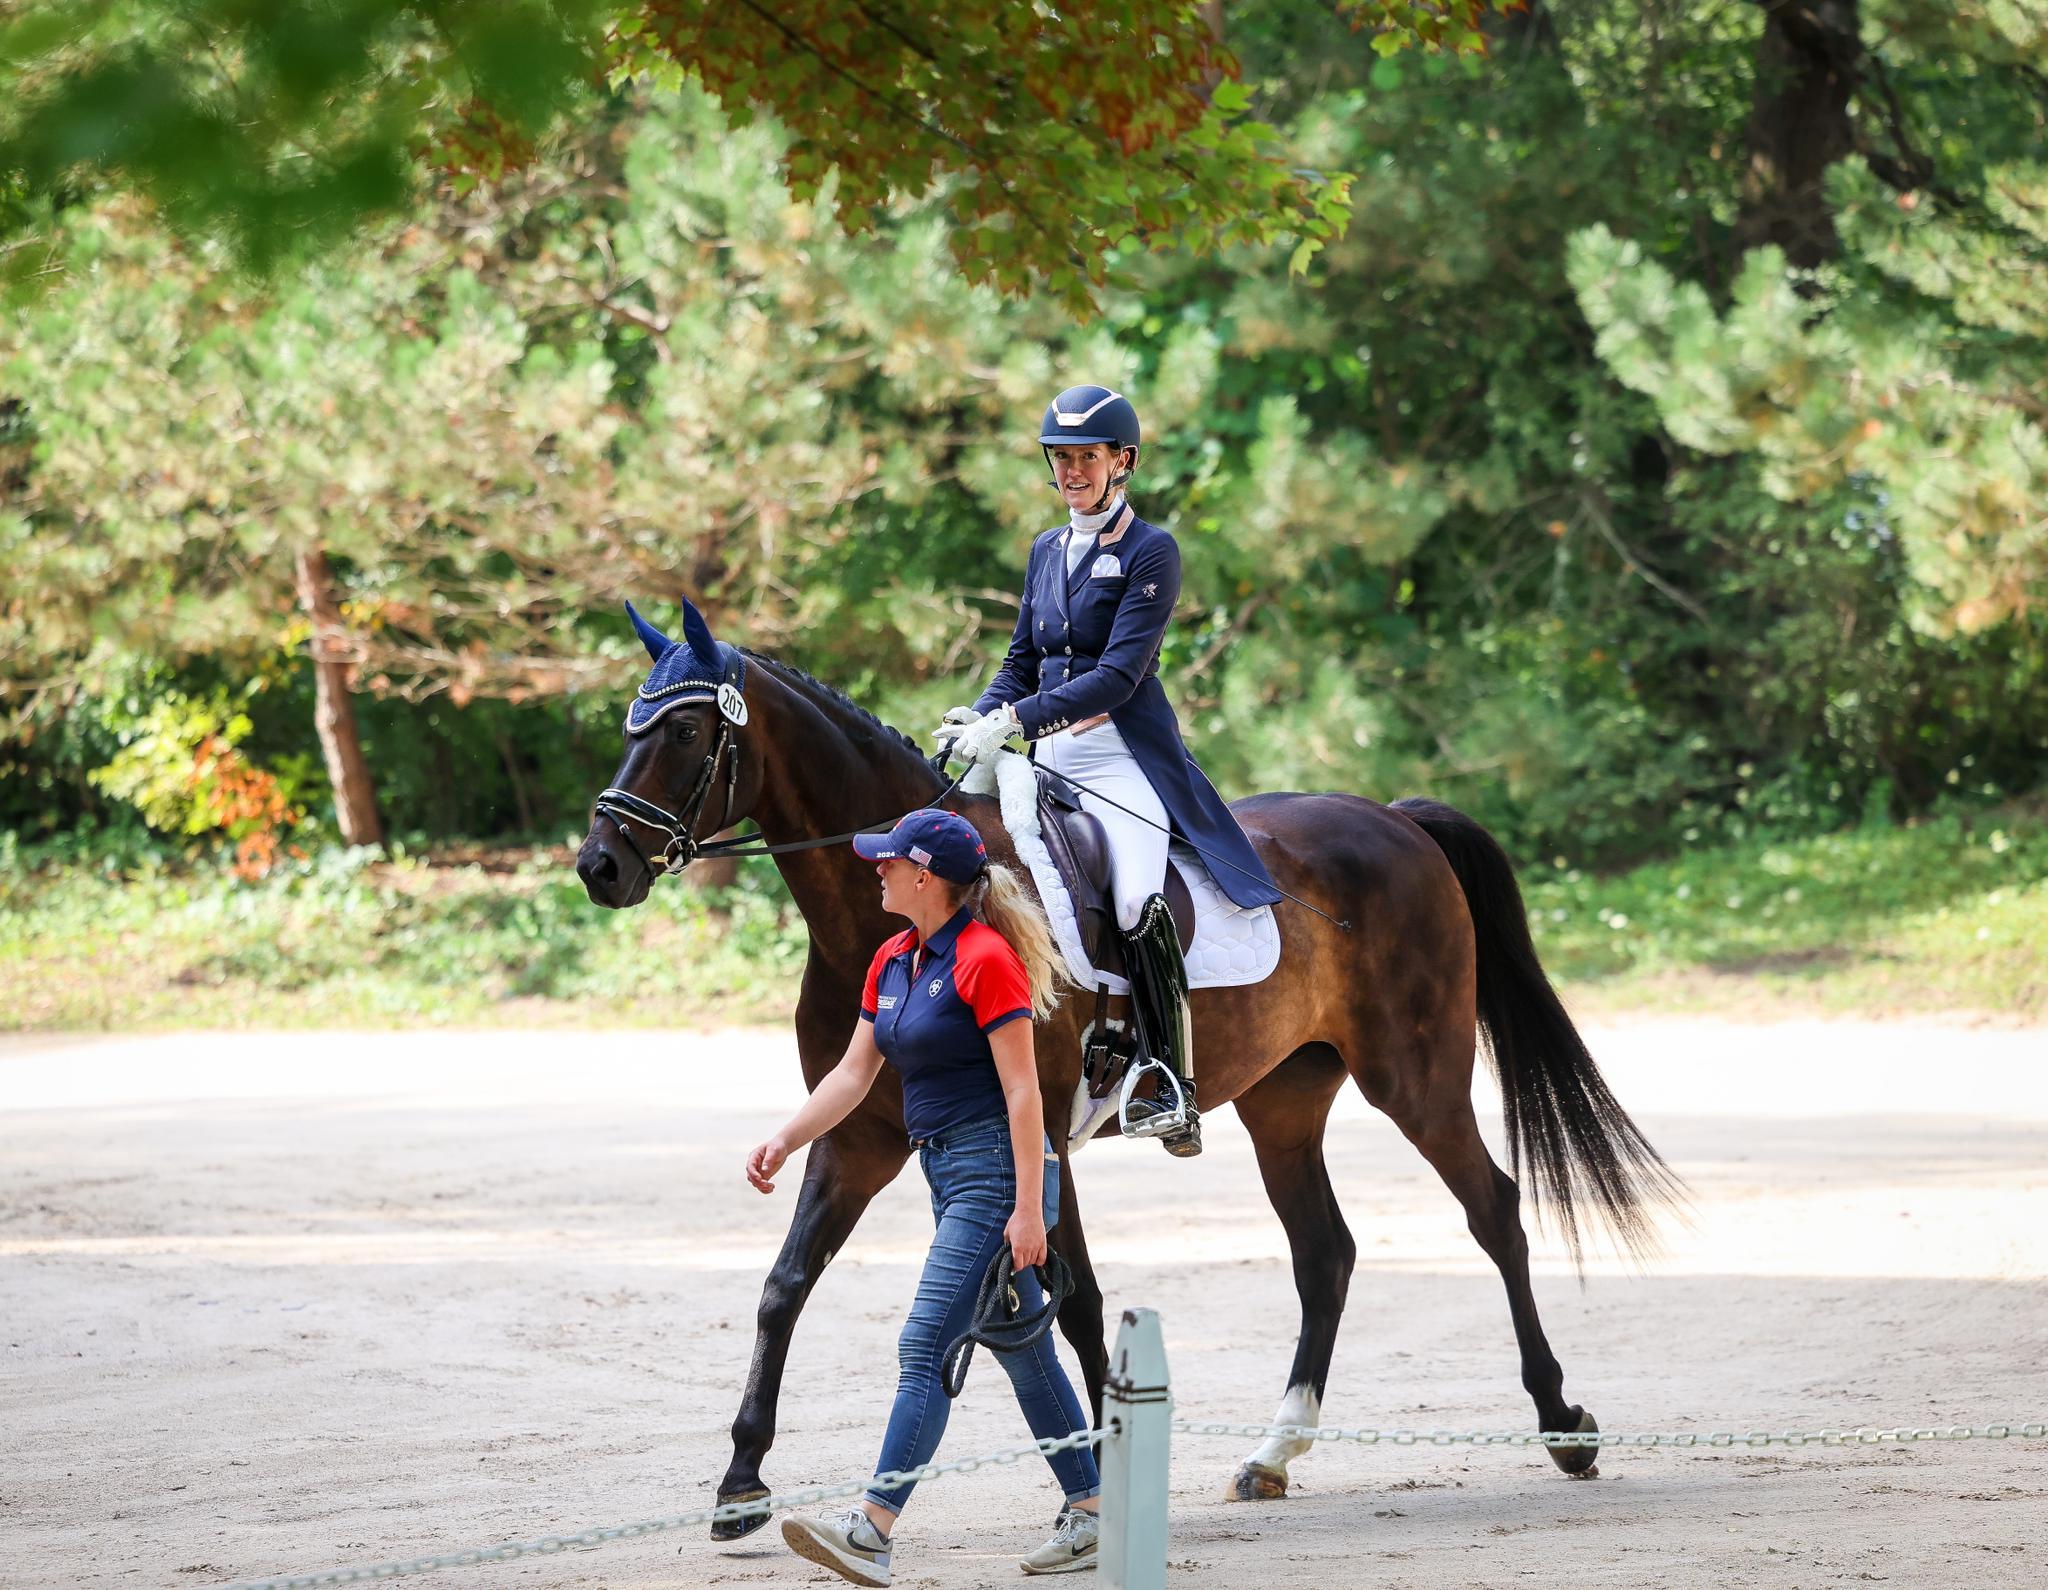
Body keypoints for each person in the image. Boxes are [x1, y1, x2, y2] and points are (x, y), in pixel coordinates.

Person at [750, 808, 1100, 1584]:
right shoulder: (893, 960)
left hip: (996, 1174)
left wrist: (1027, 1207)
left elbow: (1023, 1094)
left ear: (927, 878)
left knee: (924, 1344)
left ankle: (872, 1530)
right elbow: (851, 1075)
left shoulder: (985, 960)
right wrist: (787, 1138)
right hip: (946, 1170)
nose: (874, 868)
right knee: (1024, 1350)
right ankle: (1093, 1509)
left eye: (887, 861)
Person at [936, 385, 1284, 1157]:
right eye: (1062, 458)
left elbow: (1121, 674)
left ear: (1121, 462)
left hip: (1121, 756)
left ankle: (1168, 1076)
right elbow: (1022, 660)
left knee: (1133, 897)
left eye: (1087, 457)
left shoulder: (1150, 551)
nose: (1073, 471)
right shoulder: (1045, 550)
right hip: (1040, 756)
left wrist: (1017, 720)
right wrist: (979, 714)